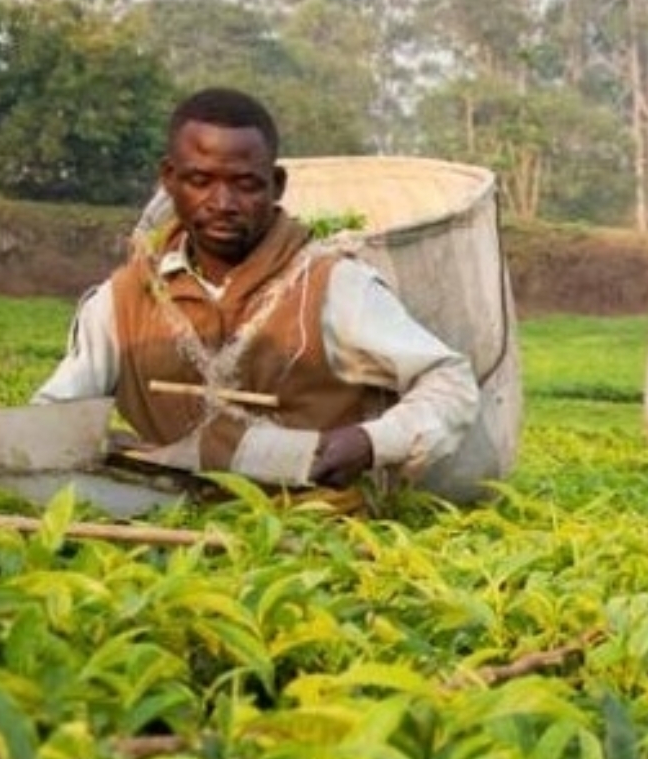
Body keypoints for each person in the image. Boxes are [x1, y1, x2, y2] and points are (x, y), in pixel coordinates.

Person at [31, 87, 479, 492]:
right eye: (200, 181)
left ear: (276, 185)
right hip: (163, 526)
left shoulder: (331, 286)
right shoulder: (124, 298)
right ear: (170, 179)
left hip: (305, 534)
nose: (222, 204)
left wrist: (370, 441)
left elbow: (450, 381)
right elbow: (52, 415)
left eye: (245, 185)